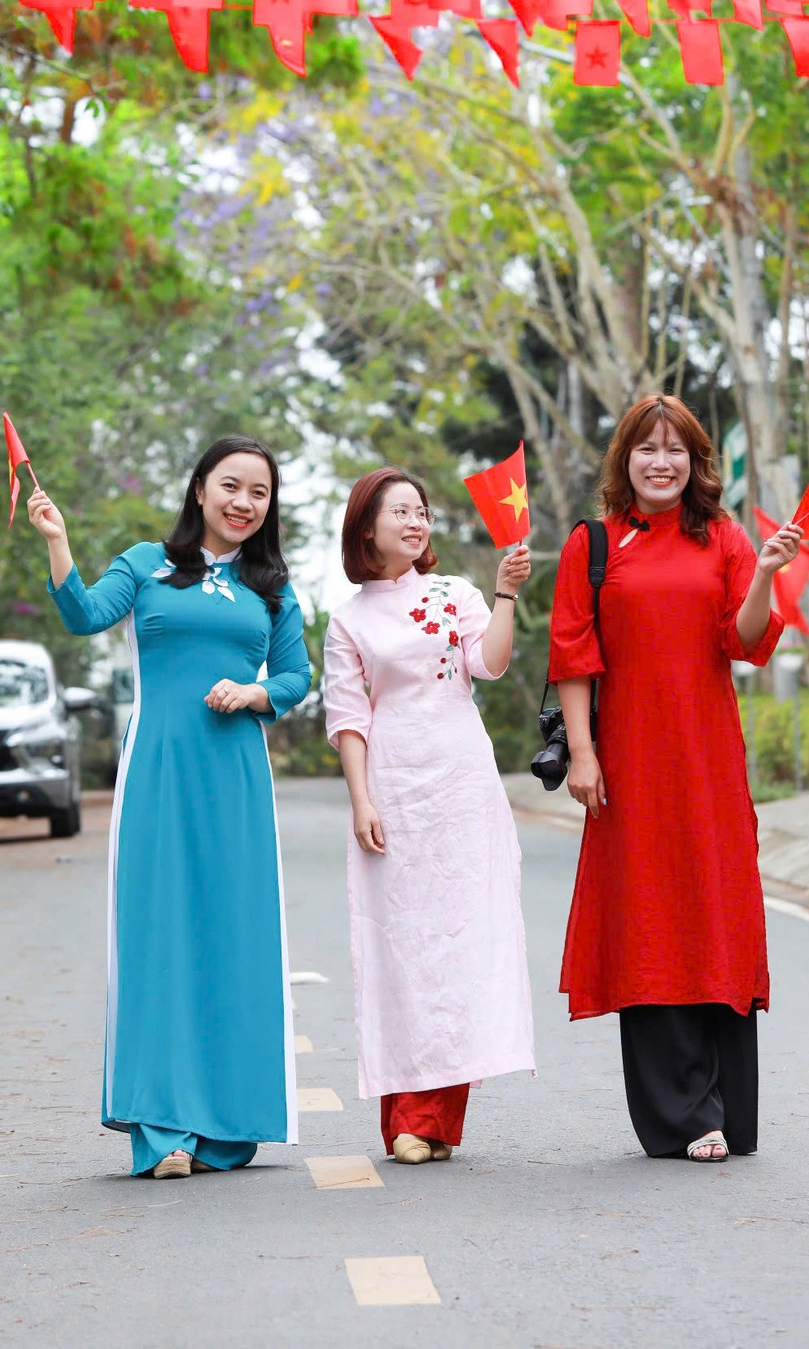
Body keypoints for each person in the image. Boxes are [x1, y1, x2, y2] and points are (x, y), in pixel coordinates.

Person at [27, 435, 311, 1180]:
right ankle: (163, 1129)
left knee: (233, 935)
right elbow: (85, 613)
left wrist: (256, 694)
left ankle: (226, 1123)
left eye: (259, 492)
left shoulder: (271, 583)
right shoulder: (145, 562)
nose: (244, 502)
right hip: (156, 771)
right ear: (199, 489)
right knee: (158, 937)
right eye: (231, 485)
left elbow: (294, 674)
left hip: (236, 779)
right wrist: (58, 542)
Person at [548, 394, 802, 1164]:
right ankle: (682, 1112)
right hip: (629, 763)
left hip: (708, 763)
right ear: (624, 458)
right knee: (649, 917)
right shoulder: (593, 544)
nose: (661, 461)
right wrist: (585, 753)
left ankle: (725, 1100)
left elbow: (745, 639)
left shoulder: (723, 538)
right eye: (646, 448)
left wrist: (761, 573)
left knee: (714, 911)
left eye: (677, 450)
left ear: (696, 462)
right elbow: (572, 656)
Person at [323, 466, 536, 1166]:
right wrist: (361, 799)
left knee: (459, 943)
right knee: (403, 948)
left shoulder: (458, 594)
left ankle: (439, 1117)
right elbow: (348, 716)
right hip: (394, 788)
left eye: (422, 511)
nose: (415, 522)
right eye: (400, 512)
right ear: (366, 529)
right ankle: (409, 1116)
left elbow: (492, 663)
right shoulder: (350, 617)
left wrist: (505, 593)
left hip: (462, 785)